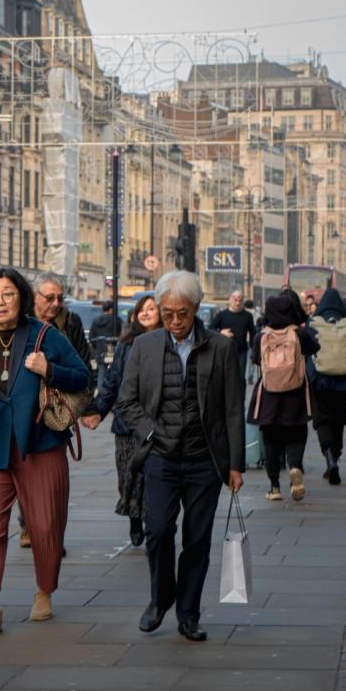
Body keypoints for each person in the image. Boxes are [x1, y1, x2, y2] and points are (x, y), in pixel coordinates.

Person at [0, 267, 89, 633]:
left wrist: (49, 369)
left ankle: (44, 591)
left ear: (21, 297)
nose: (0, 301)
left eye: (7, 294)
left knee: (45, 524)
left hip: (40, 444)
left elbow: (83, 376)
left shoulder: (45, 335)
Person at [116, 270, 245, 642]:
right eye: (167, 313)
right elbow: (127, 401)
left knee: (197, 539)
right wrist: (150, 432)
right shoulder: (145, 347)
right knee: (157, 531)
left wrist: (235, 464)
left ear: (197, 309)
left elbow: (233, 409)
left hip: (205, 459)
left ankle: (188, 613)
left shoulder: (220, 349)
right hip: (160, 457)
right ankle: (160, 599)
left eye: (182, 314)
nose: (174, 321)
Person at [18, 271, 93, 549]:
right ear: (34, 297)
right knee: (24, 472)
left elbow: (83, 366)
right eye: (49, 297)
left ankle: (50, 535)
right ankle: (28, 524)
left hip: (55, 408)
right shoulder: (20, 323)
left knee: (51, 480)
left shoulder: (70, 323)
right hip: (24, 409)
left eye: (60, 298)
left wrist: (89, 407)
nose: (56, 303)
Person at [81, 295, 162, 546]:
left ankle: (151, 525)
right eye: (142, 310)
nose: (146, 313)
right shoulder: (126, 345)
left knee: (153, 477)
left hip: (157, 424)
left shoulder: (168, 342)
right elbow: (112, 382)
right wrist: (97, 411)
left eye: (152, 309)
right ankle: (134, 518)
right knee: (128, 476)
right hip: (126, 426)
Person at [247, 294, 319, 501]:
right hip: (295, 394)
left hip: (269, 396)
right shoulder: (299, 333)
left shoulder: (261, 336)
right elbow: (314, 349)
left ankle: (274, 487)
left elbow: (255, 360)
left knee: (270, 441)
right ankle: (295, 466)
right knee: (296, 433)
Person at [305, 288, 346, 485]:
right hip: (344, 381)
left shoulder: (313, 323)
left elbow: (304, 349)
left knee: (322, 420)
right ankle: (336, 456)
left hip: (319, 381)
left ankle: (329, 458)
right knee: (339, 420)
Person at [209, 289, 256, 384]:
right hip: (225, 351)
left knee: (240, 377)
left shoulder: (248, 316)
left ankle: (240, 398)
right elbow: (210, 328)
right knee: (225, 377)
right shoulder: (222, 315)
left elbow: (252, 333)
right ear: (230, 300)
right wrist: (221, 332)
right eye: (235, 300)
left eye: (240, 300)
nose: (238, 303)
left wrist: (253, 352)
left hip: (242, 351)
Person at [88, 301, 123, 392]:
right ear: (111, 309)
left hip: (100, 351)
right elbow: (122, 334)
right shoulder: (117, 320)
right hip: (114, 350)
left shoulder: (96, 320)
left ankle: (101, 393)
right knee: (116, 373)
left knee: (101, 374)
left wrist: (97, 348)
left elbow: (91, 336)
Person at [243, 298, 259, 385]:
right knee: (251, 359)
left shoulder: (242, 314)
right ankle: (250, 377)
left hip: (243, 338)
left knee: (241, 358)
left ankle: (241, 375)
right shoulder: (257, 314)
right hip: (253, 339)